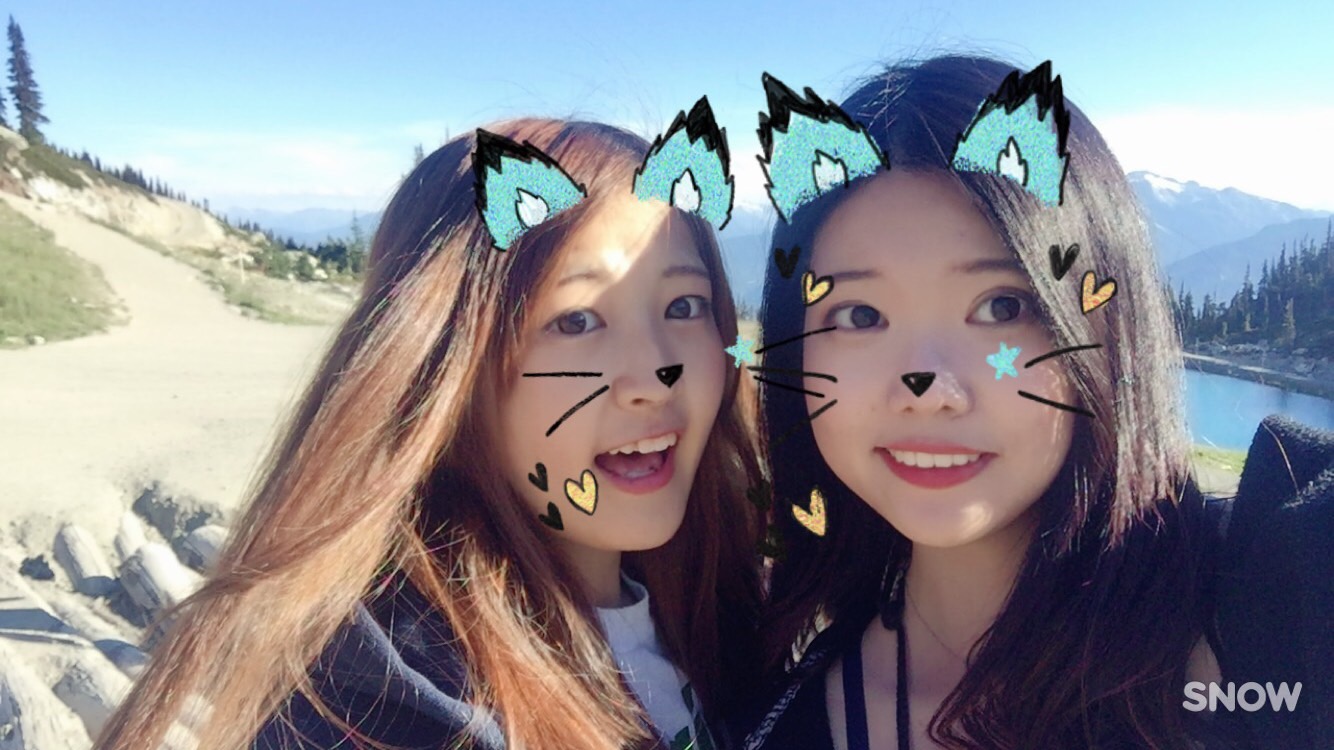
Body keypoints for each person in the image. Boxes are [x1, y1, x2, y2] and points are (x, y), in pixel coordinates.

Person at [93, 114, 764, 750]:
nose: (657, 376)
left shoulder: (713, 604)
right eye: (576, 320)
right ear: (443, 366)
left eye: (685, 306)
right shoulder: (379, 704)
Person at [734, 56, 1332, 749]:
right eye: (860, 316)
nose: (927, 391)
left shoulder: (1273, 605)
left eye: (1003, 306)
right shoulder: (773, 707)